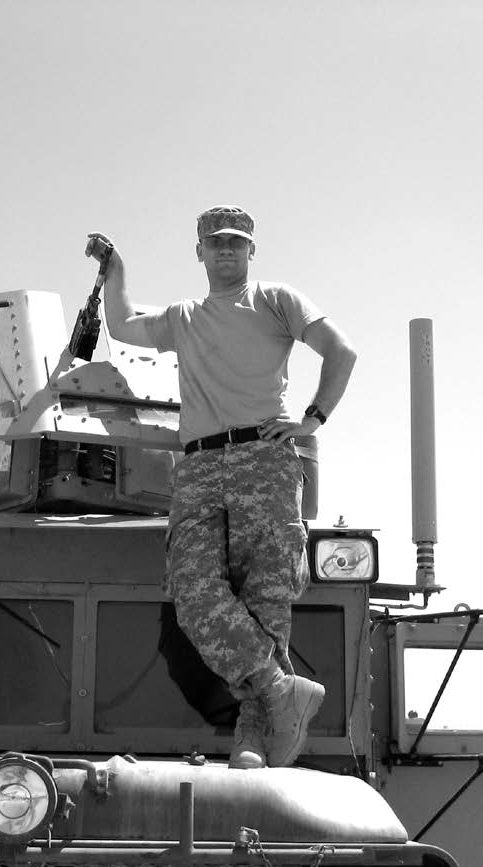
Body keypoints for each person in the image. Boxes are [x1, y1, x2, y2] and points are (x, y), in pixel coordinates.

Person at [85, 205, 357, 769]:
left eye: (236, 242)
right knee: (194, 592)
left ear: (251, 251)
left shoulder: (276, 300)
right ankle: (280, 691)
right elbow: (122, 325)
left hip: (265, 457)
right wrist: (115, 270)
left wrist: (313, 417)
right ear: (200, 252)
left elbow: (342, 351)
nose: (226, 250)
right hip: (200, 464)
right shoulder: (185, 316)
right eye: (215, 242)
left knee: (265, 604)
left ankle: (252, 740)